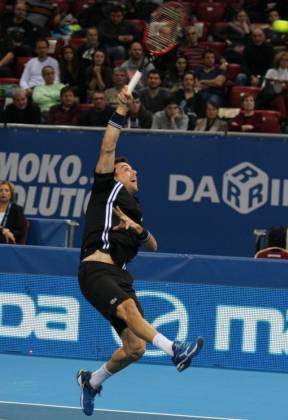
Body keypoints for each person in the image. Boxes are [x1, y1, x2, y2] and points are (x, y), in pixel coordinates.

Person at [76, 85, 204, 416]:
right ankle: (175, 349)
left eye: (134, 171)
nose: (133, 171)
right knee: (130, 312)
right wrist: (120, 110)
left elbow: (154, 245)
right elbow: (108, 145)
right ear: (115, 174)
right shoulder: (106, 188)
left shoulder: (135, 211)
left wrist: (137, 229)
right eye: (127, 168)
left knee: (135, 350)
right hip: (94, 269)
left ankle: (91, 381)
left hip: (119, 274)